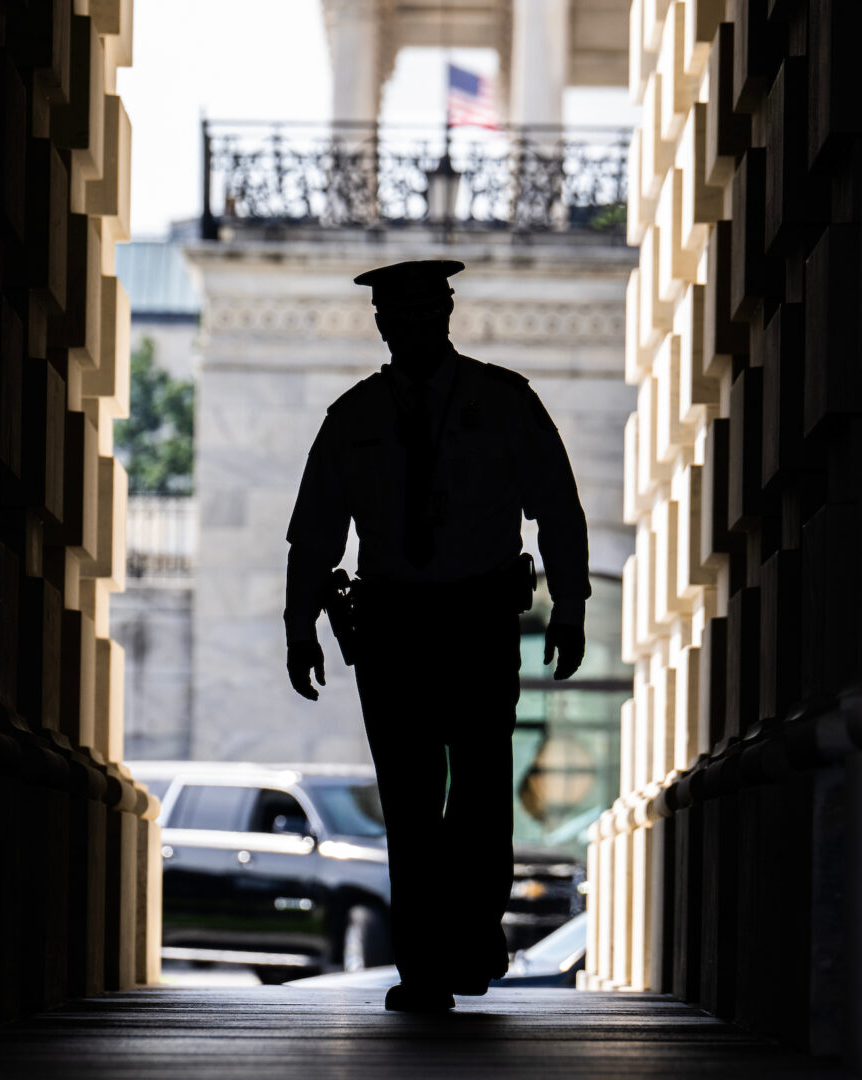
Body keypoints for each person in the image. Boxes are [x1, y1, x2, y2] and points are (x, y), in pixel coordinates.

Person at [283, 259, 591, 1013]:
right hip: (393, 628)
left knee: (483, 794)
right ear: (383, 325)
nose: (416, 327)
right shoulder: (352, 418)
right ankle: (424, 967)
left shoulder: (504, 401)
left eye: (429, 314)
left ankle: (472, 931)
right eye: (401, 317)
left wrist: (573, 604)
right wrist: (299, 627)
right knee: (411, 805)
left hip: (480, 622)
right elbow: (314, 536)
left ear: (447, 315)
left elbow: (559, 507)